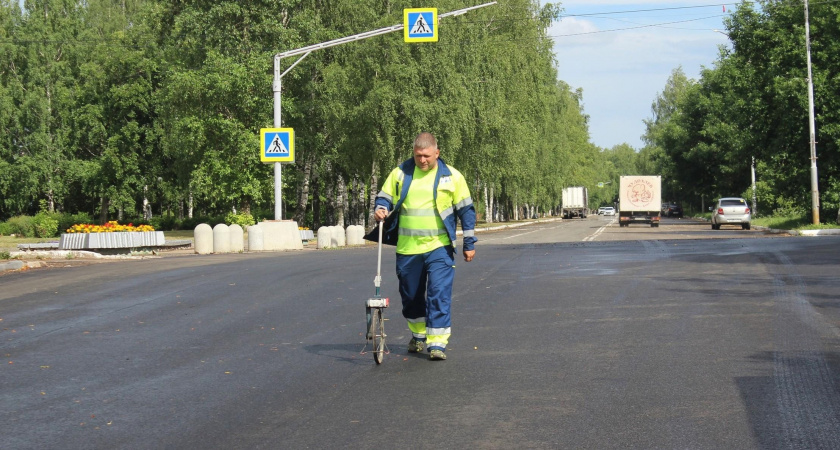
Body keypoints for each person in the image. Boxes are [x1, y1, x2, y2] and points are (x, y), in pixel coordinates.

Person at [372, 132, 476, 361]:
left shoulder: (452, 177)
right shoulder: (401, 173)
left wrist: (469, 242)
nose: (422, 160)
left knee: (438, 294)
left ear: (437, 153)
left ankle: (437, 343)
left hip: (440, 247)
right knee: (411, 296)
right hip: (408, 249)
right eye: (418, 156)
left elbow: (466, 210)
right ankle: (418, 336)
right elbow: (384, 197)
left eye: (427, 156)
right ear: (413, 153)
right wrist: (380, 208)